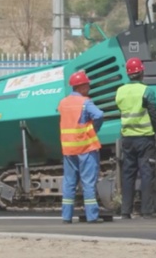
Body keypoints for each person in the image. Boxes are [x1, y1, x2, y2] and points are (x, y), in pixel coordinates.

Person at [115, 57, 156, 219]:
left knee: (128, 174)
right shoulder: (146, 91)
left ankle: (125, 211)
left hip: (127, 138)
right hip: (144, 139)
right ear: (141, 72)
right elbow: (154, 114)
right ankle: (146, 210)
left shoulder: (120, 91)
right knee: (146, 173)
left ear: (128, 74)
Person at [57, 70, 105, 224]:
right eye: (87, 84)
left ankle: (66, 216)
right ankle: (92, 216)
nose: (89, 87)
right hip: (85, 148)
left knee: (69, 183)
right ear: (81, 87)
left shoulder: (63, 103)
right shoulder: (85, 102)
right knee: (88, 183)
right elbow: (98, 115)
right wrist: (93, 129)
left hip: (69, 150)